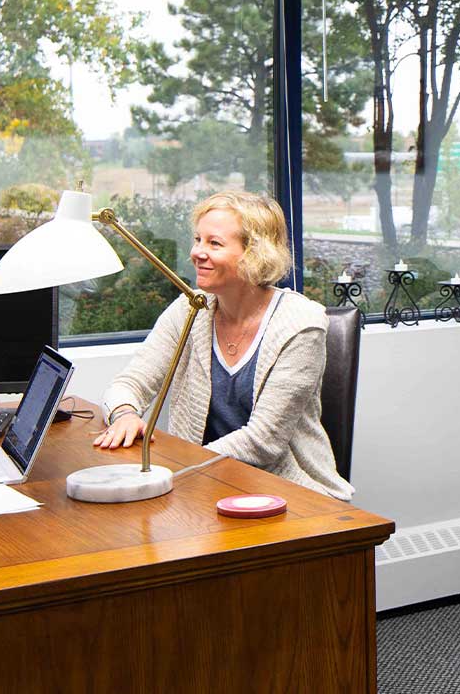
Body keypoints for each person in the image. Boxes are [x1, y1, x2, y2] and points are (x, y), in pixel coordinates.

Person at [95, 191, 352, 501]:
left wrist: (176, 467)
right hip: (202, 486)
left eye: (214, 243)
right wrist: (124, 414)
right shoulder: (189, 308)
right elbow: (130, 383)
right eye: (197, 239)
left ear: (255, 253)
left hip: (290, 494)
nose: (197, 252)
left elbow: (263, 441)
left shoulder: (301, 324)